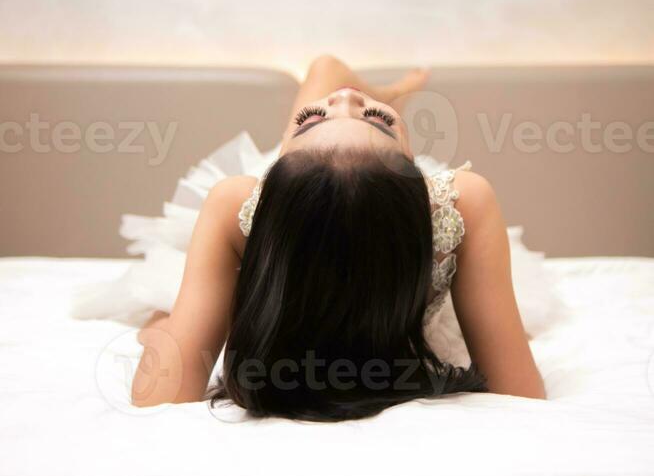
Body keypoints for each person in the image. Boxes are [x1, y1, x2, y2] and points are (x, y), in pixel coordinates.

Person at [132, 55, 544, 419]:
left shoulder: (235, 203)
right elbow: (522, 392)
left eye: (380, 116)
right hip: (340, 202)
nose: (344, 99)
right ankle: (388, 97)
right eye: (382, 122)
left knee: (326, 70)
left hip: (320, 211)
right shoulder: (463, 199)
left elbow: (156, 399)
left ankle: (375, 103)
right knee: (327, 69)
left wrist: (172, 332)